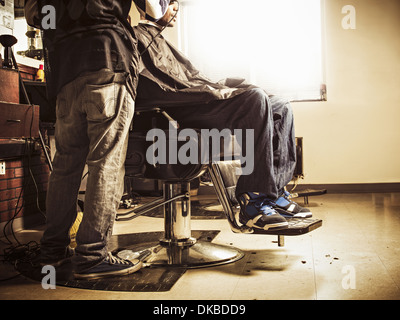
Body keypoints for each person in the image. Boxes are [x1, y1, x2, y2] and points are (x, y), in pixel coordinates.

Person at [133, 1, 312, 232]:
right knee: (255, 99)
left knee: (281, 105)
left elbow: (193, 79)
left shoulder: (162, 42)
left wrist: (219, 88)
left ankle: (275, 193)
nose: (177, 8)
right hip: (183, 111)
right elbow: (157, 88)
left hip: (198, 100)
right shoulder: (136, 38)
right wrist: (211, 93)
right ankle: (254, 202)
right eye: (171, 3)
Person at [27, 0, 171, 280]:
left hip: (66, 73)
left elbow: (37, 16)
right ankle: (93, 255)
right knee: (106, 163)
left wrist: (69, 19)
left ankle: (52, 252)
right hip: (107, 61)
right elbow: (155, 9)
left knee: (65, 167)